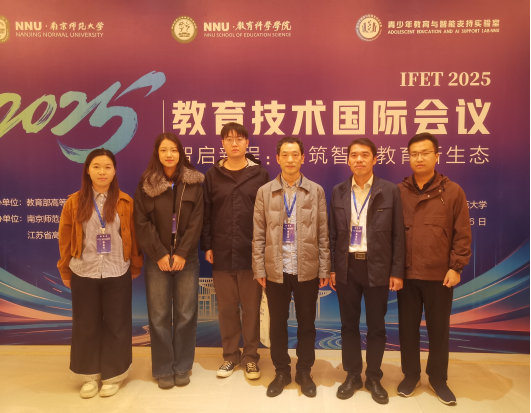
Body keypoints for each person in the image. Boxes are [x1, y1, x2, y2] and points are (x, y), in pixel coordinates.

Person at [57, 148, 143, 399]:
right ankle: (89, 376)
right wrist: (65, 269)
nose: (102, 172)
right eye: (96, 166)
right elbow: (65, 239)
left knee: (117, 324)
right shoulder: (74, 202)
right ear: (87, 170)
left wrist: (135, 266)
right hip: (84, 271)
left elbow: (134, 236)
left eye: (107, 167)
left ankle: (113, 375)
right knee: (86, 325)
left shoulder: (125, 202)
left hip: (117, 270)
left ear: (114, 171)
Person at [329, 138, 405, 405]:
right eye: (354, 155)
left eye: (364, 155)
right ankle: (352, 375)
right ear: (348, 159)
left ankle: (373, 377)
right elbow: (333, 234)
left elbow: (398, 235)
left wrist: (396, 271)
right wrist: (332, 268)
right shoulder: (338, 191)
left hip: (378, 267)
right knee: (348, 325)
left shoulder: (390, 190)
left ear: (375, 158)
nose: (358, 159)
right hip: (347, 266)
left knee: (376, 326)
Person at [252, 136, 330, 398]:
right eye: (285, 154)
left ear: (303, 158)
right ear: (277, 158)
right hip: (276, 269)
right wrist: (259, 268)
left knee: (307, 324)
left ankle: (304, 371)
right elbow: (258, 234)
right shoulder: (265, 192)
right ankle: (282, 371)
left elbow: (323, 232)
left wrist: (324, 268)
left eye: (295, 154)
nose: (290, 159)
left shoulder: (316, 191)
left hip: (307, 268)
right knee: (278, 324)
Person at [397, 132, 471, 406]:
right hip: (406, 275)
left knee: (439, 331)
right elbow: (392, 235)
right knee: (407, 329)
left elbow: (462, 234)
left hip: (440, 276)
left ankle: (438, 379)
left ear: (437, 156)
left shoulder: (452, 192)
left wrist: (456, 266)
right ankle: (410, 375)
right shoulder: (399, 191)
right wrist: (394, 270)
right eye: (414, 153)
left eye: (425, 152)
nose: (419, 158)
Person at [134, 132, 204, 389]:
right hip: (158, 260)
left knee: (186, 313)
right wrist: (160, 254)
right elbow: (141, 222)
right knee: (159, 315)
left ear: (180, 152)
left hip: (187, 259)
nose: (169, 155)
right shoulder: (146, 184)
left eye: (173, 150)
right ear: (157, 153)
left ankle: (183, 366)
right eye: (164, 150)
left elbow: (197, 220)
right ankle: (164, 368)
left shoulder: (194, 182)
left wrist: (182, 252)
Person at [201, 122, 270, 379]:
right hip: (221, 251)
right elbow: (206, 213)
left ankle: (250, 358)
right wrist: (207, 245)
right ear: (222, 144)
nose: (234, 143)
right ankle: (230, 356)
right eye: (229, 139)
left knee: (251, 309)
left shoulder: (260, 174)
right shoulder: (213, 175)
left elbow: (269, 215)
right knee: (227, 308)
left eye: (239, 138)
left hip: (252, 253)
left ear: (247, 143)